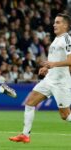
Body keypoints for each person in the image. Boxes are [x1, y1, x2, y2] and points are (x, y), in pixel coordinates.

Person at [9, 13, 71, 143]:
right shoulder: (56, 39)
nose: (54, 24)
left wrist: (54, 64)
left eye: (58, 22)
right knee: (30, 102)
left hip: (61, 83)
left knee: (65, 116)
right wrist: (47, 67)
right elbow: (55, 59)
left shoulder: (67, 39)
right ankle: (25, 135)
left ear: (65, 25)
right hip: (49, 80)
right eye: (54, 22)